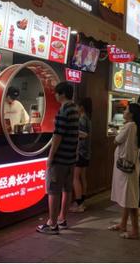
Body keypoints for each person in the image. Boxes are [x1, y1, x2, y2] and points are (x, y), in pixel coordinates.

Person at [36, 82, 79, 235]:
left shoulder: (64, 109)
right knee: (67, 189)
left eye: (56, 93)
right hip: (71, 158)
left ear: (61, 94)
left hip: (60, 158)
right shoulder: (74, 108)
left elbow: (58, 135)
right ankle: (62, 219)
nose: (54, 95)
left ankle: (52, 224)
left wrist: (50, 156)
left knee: (53, 190)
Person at [109, 103, 140, 239]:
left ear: (131, 114)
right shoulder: (135, 126)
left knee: (130, 199)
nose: (124, 112)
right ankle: (123, 224)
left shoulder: (129, 126)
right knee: (127, 197)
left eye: (126, 110)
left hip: (126, 169)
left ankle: (135, 231)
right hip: (129, 167)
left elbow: (116, 141)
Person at [69, 98, 92, 213]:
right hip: (86, 152)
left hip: (80, 152)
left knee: (75, 178)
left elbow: (83, 135)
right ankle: (82, 202)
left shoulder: (82, 119)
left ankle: (79, 204)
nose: (76, 109)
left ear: (81, 107)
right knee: (82, 177)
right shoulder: (87, 118)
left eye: (77, 106)